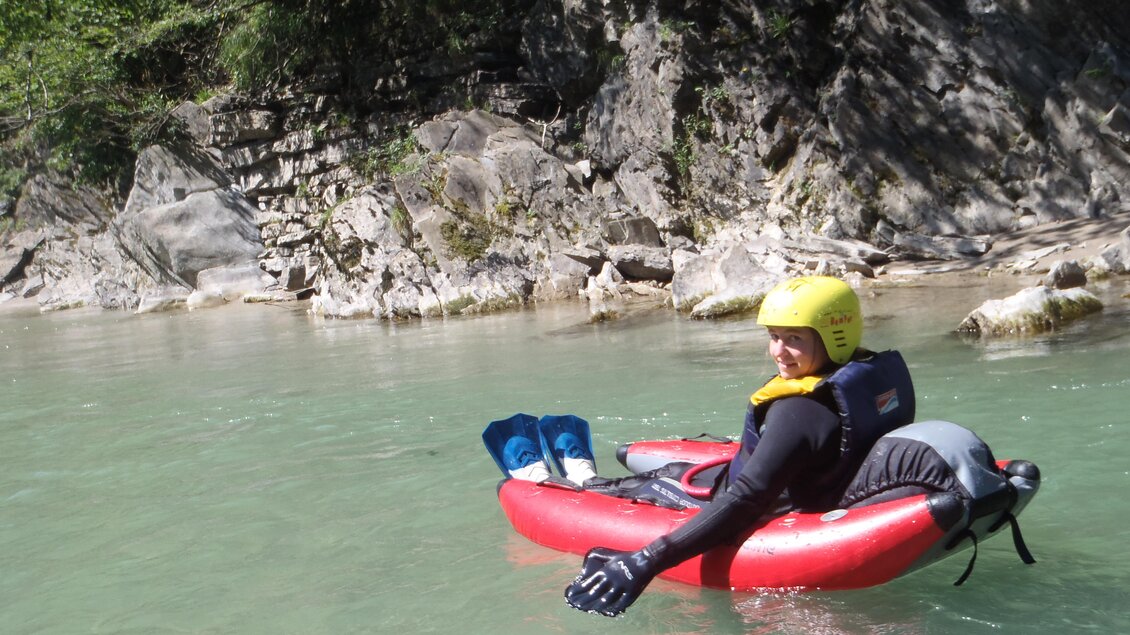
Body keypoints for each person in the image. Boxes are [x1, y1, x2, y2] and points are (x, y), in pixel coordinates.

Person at [563, 275, 919, 616]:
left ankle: (569, 479)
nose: (779, 351)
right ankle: (583, 475)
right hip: (796, 477)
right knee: (670, 471)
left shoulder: (799, 410)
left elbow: (745, 498)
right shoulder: (865, 377)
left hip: (748, 501)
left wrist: (644, 561)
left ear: (833, 337)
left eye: (794, 338)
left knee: (653, 483)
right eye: (774, 335)